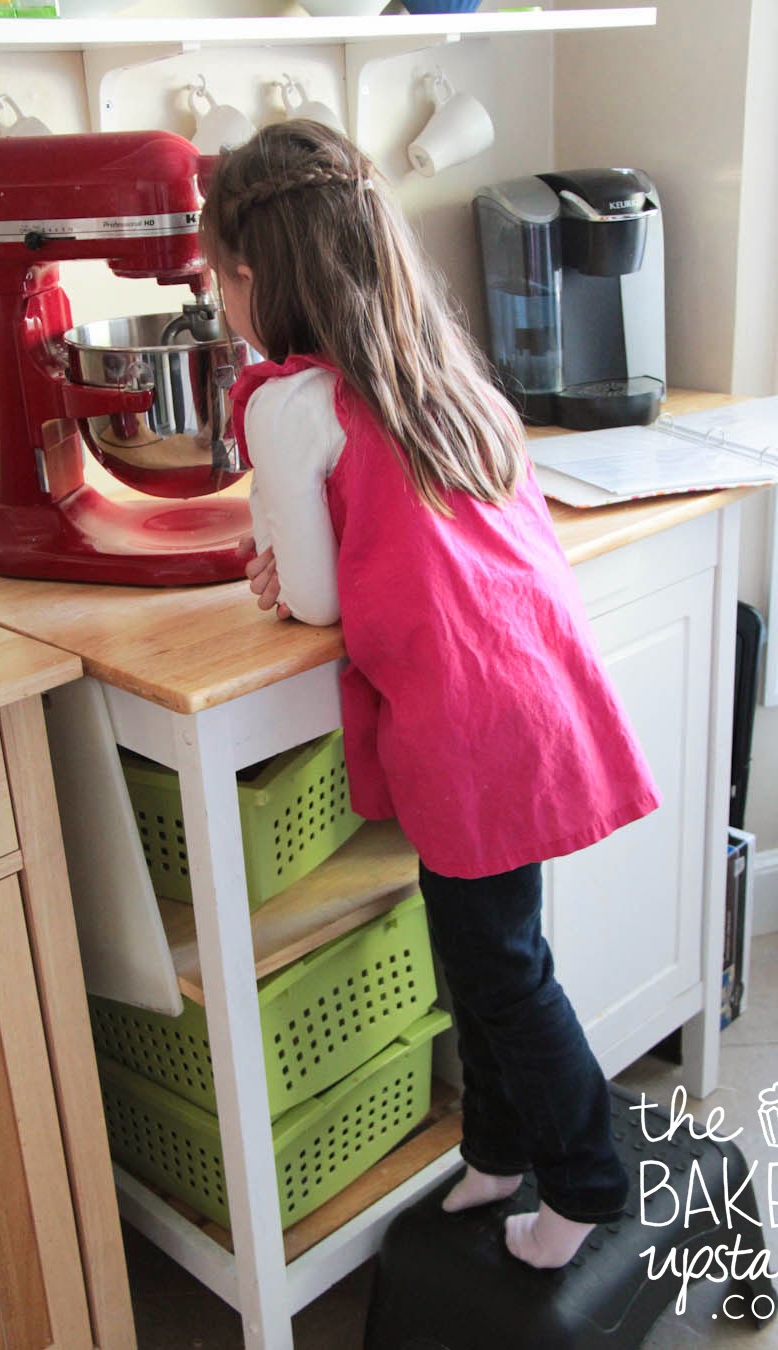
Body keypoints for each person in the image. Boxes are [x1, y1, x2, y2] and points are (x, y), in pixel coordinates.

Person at [201, 121, 661, 1270]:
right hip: (535, 695)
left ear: (256, 277)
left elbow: (312, 600)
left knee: (504, 975)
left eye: (217, 276)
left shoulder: (290, 400)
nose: (217, 300)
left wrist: (285, 571)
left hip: (465, 728)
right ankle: (498, 1153)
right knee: (490, 954)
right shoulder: (439, 369)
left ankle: (586, 1183)